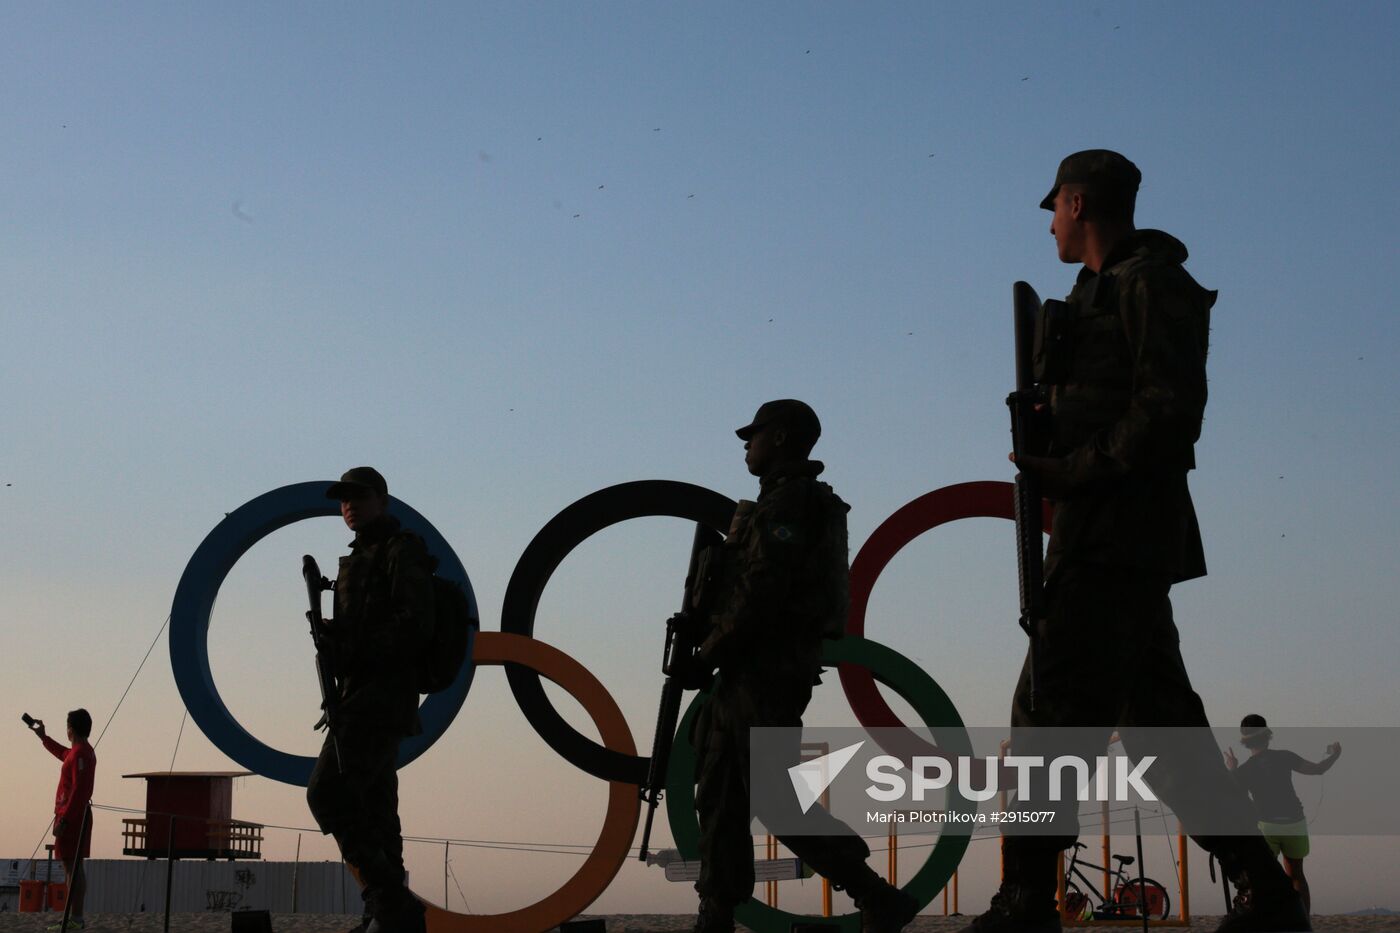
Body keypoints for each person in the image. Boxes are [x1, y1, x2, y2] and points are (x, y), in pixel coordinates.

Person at [960, 151, 1309, 933]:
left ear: (1078, 202)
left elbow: (1168, 414)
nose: (1050, 222)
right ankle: (1268, 893)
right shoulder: (1097, 293)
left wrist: (1073, 468)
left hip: (1117, 535)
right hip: (1103, 533)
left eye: (1054, 207)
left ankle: (1025, 900)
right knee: (1166, 733)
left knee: (1047, 709)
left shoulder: (1152, 283)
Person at [681, 400, 918, 933]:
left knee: (771, 795)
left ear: (783, 437)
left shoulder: (792, 502)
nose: (747, 444)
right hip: (745, 669)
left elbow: (764, 590)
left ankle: (874, 894)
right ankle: (714, 912)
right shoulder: (773, 502)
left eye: (755, 435)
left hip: (768, 669)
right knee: (720, 793)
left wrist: (711, 650)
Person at [306, 467, 435, 933]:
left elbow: (415, 625)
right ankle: (387, 916)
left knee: (327, 795)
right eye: (343, 499)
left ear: (383, 499)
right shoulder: (359, 557)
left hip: (381, 699)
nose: (349, 505)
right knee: (377, 811)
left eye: (359, 496)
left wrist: (352, 644)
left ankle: (391, 902)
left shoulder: (402, 552)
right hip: (357, 695)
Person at [1226, 715, 1341, 914]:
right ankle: (1304, 921)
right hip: (1294, 823)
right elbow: (1318, 769)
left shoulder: (1245, 770)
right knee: (1297, 875)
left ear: (1245, 741)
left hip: (1266, 826)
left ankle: (1269, 920)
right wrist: (1335, 755)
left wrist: (1233, 770)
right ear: (1268, 735)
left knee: (1262, 878)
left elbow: (1238, 799)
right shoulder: (1285, 756)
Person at [31, 709, 95, 930]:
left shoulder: (81, 754)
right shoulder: (78, 752)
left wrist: (65, 820)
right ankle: (73, 918)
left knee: (73, 867)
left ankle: (75, 919)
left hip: (73, 817)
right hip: (72, 815)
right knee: (72, 866)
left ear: (71, 728)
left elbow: (80, 790)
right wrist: (44, 738)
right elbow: (62, 754)